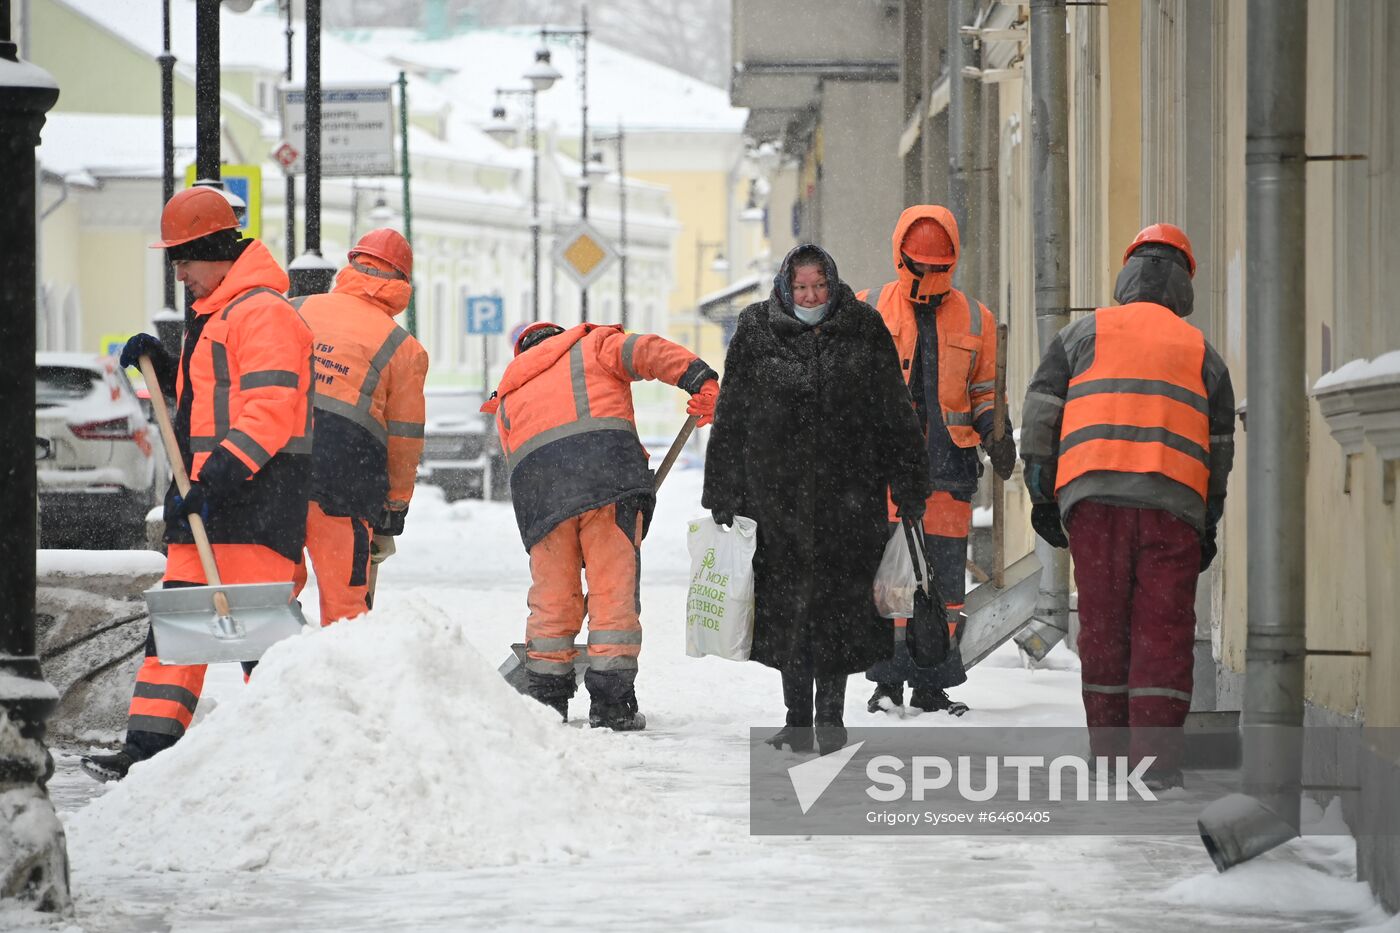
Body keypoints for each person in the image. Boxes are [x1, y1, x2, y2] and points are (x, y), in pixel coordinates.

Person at [81, 186, 314, 783]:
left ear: (215, 251)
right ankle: (146, 747)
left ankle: (306, 742)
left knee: (261, 631)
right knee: (180, 626)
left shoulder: (261, 313)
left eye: (183, 260)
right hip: (205, 499)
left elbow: (271, 408)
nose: (179, 274)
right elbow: (204, 406)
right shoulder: (220, 317)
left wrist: (218, 480)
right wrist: (163, 363)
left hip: (252, 497)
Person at [1019, 222, 1235, 789]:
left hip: (1093, 502)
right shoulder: (1203, 355)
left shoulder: (1081, 336)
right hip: (1173, 508)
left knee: (1104, 628)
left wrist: (1044, 494)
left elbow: (1041, 413)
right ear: (1185, 283)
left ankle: (1110, 756)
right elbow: (1219, 451)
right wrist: (1208, 520)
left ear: (1126, 274)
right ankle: (1155, 767)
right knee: (1162, 633)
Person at [703, 244, 930, 755]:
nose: (811, 297)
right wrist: (723, 490)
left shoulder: (864, 327)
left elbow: (895, 409)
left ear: (833, 285)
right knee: (788, 613)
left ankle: (831, 720)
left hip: (848, 498)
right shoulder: (756, 329)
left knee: (839, 613)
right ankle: (796, 721)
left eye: (819, 287)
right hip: (774, 499)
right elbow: (733, 414)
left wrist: (910, 484)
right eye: (802, 288)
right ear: (786, 287)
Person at [482, 320, 720, 730]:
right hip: (607, 481)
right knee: (613, 592)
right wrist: (699, 378)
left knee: (553, 598)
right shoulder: (593, 345)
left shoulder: (509, 391)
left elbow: (513, 457)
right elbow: (647, 351)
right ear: (559, 337)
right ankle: (612, 705)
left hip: (542, 499)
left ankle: (545, 701)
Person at [855, 205, 1015, 717]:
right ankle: (886, 682)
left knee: (944, 587)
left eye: (937, 267)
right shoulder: (866, 308)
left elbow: (985, 388)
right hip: (881, 471)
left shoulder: (976, 318)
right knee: (888, 583)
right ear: (902, 258)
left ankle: (931, 683)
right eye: (919, 266)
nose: (928, 276)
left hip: (949, 468)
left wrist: (996, 430)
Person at [291, 229, 428, 624]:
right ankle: (343, 679)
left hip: (277, 460)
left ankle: (276, 676)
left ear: (349, 267)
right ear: (403, 283)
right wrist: (393, 510)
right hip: (344, 476)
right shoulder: (403, 348)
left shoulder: (295, 308)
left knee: (272, 593)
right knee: (346, 605)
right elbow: (404, 440)